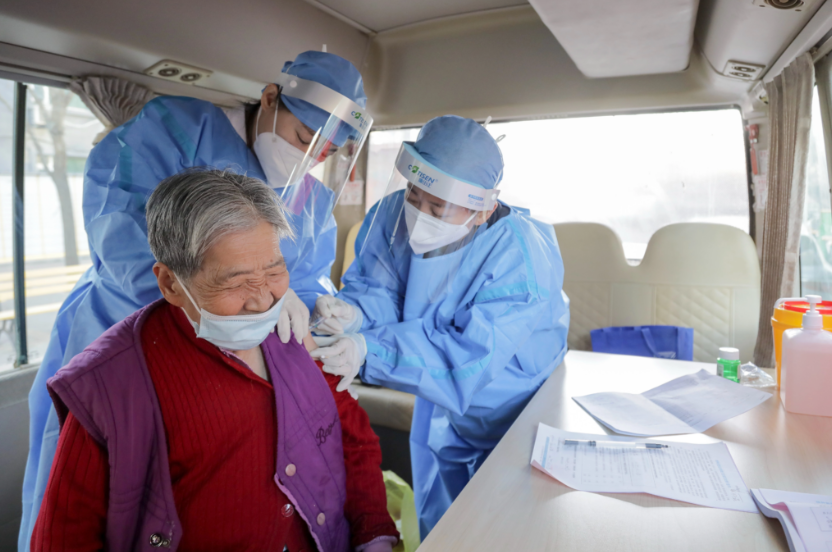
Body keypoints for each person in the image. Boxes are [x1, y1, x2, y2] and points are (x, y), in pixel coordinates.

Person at [20, 50, 373, 551]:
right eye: (303, 137)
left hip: (235, 371)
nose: (311, 155)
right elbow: (121, 228)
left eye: (325, 151)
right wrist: (215, 293)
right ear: (270, 99)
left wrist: (319, 310)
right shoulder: (180, 132)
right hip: (126, 327)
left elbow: (306, 277)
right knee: (97, 495)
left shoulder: (310, 200)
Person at [309, 115, 570, 538]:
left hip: (513, 403)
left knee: (508, 527)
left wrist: (369, 351)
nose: (418, 213)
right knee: (444, 524)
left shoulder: (521, 255)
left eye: (437, 207)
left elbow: (469, 358)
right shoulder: (392, 214)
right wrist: (354, 314)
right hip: (434, 390)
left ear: (482, 209)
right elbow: (381, 288)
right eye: (414, 193)